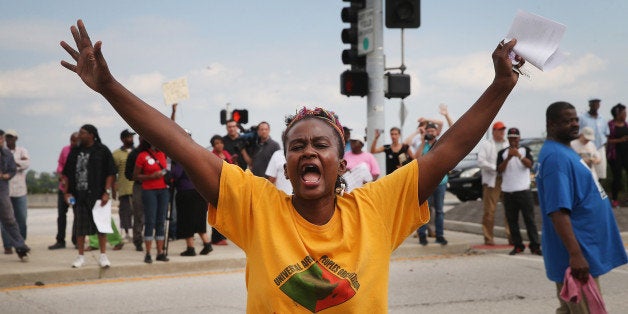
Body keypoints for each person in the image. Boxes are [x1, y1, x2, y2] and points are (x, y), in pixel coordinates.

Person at [60, 20, 521, 311]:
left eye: (321, 144)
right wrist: (109, 86)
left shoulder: (377, 209)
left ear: (342, 162)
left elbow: (449, 150)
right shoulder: (256, 206)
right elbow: (180, 144)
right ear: (285, 162)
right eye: (296, 145)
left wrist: (500, 84)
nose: (307, 151)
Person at [536, 101, 627, 313]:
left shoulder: (563, 151)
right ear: (551, 124)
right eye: (567, 121)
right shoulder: (556, 158)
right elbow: (558, 212)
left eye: (575, 119)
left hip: (585, 253)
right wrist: (575, 255)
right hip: (577, 257)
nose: (574, 124)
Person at [62, 124, 116, 268]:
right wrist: (66, 192)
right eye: (80, 133)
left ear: (92, 135)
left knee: (101, 227)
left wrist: (107, 192)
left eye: (83, 133)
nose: (80, 135)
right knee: (80, 228)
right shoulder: (75, 152)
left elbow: (111, 173)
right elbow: (66, 174)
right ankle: (80, 257)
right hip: (79, 195)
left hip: (98, 196)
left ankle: (103, 256)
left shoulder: (102, 150)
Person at [496, 128, 541, 255]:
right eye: (511, 138)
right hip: (508, 191)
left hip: (523, 190)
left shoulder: (525, 150)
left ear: (519, 138)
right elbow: (499, 170)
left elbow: (530, 165)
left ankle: (535, 245)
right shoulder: (502, 153)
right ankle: (518, 245)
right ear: (508, 139)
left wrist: (519, 156)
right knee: (512, 220)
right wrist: (509, 158)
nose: (513, 140)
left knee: (529, 219)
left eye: (515, 138)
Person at [172, 132, 213, 257]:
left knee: (186, 220)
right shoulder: (198, 154)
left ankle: (190, 247)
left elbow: (176, 175)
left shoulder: (181, 156)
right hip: (199, 191)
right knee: (199, 219)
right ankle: (207, 243)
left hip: (186, 192)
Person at [133, 141, 170, 263]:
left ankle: (160, 252)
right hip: (149, 190)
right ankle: (148, 253)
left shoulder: (163, 154)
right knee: (150, 221)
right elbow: (136, 176)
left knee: (161, 221)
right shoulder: (142, 155)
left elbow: (167, 169)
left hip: (163, 190)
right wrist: (150, 177)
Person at [477, 121, 511, 245]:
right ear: (494, 131)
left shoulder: (508, 144)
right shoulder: (486, 144)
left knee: (509, 209)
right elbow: (481, 161)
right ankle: (488, 237)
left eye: (503, 130)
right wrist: (495, 167)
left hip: (507, 179)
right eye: (499, 130)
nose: (502, 132)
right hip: (493, 180)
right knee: (489, 210)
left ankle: (511, 235)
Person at [414, 123, 448, 246]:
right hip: (426, 182)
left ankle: (440, 235)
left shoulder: (441, 144)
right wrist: (423, 141)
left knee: (439, 210)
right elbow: (416, 158)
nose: (430, 133)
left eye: (433, 131)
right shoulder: (423, 145)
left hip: (440, 182)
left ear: (436, 132)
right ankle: (422, 235)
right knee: (424, 210)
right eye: (428, 131)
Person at [0, 129, 30, 260]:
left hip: (4, 189)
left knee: (9, 219)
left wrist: (7, 175)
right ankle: (8, 246)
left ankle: (20, 247)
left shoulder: (6, 154)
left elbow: (13, 168)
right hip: (6, 189)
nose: (1, 141)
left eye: (1, 139)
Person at [49, 132, 79, 250]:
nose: (73, 143)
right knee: (61, 215)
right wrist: (61, 176)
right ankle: (60, 240)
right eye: (72, 140)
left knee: (78, 215)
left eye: (75, 141)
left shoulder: (82, 152)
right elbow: (60, 165)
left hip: (76, 190)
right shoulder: (65, 150)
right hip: (63, 189)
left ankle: (77, 240)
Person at [112, 128, 136, 240]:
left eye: (132, 137)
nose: (131, 139)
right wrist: (113, 189)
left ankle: (138, 233)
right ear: (123, 139)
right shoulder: (116, 154)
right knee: (125, 213)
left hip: (138, 187)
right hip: (124, 188)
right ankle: (127, 233)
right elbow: (112, 173)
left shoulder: (138, 151)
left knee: (139, 213)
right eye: (128, 137)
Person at [124, 137, 147, 252]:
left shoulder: (156, 152)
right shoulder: (134, 154)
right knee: (138, 214)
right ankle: (138, 240)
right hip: (140, 186)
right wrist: (140, 176)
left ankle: (151, 238)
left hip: (155, 187)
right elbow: (128, 174)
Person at [208, 135, 231, 245]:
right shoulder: (212, 155)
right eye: (216, 143)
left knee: (225, 212)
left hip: (228, 185)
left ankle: (222, 235)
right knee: (217, 211)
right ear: (213, 145)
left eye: (221, 142)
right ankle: (216, 238)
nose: (219, 145)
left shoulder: (226, 153)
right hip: (217, 185)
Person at [578, 98, 609, 182]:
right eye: (593, 103)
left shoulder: (602, 119)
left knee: (601, 173)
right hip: (586, 147)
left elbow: (606, 134)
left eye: (597, 103)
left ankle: (598, 191)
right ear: (589, 105)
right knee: (587, 171)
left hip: (600, 147)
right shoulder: (582, 118)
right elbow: (578, 132)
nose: (595, 105)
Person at [606, 103, 628, 207]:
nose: (626, 114)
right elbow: (607, 140)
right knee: (617, 177)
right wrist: (620, 140)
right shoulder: (610, 125)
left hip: (626, 153)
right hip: (615, 155)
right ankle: (614, 200)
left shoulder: (626, 124)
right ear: (617, 114)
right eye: (624, 112)